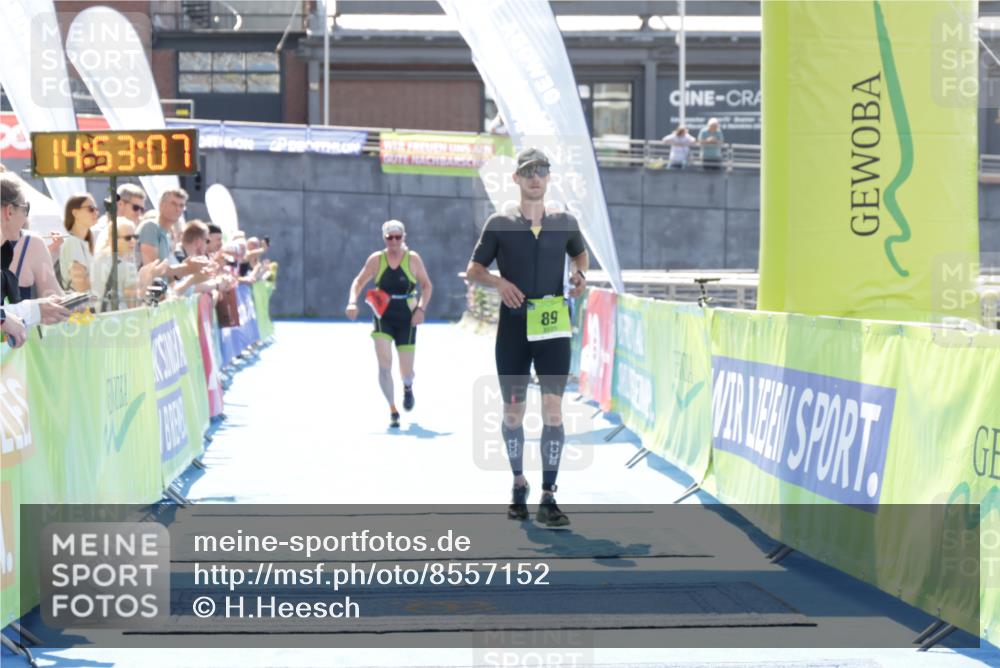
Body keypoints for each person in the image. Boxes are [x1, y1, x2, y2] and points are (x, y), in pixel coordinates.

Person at [465, 147, 588, 527]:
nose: (536, 177)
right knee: (513, 413)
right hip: (515, 328)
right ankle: (519, 482)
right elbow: (473, 270)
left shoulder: (565, 222)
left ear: (549, 178)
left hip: (552, 326)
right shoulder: (500, 223)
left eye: (542, 170)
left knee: (553, 411)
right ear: (516, 178)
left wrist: (579, 275)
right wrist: (498, 281)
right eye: (528, 171)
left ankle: (549, 494)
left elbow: (580, 256)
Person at [345, 220, 433, 429]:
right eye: (389, 237)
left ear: (404, 237)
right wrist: (352, 301)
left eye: (397, 237)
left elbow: (426, 286)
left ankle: (408, 386)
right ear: (383, 238)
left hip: (407, 316)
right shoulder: (377, 259)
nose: (393, 241)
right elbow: (358, 281)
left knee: (406, 369)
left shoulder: (413, 259)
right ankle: (392, 409)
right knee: (384, 365)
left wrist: (421, 309)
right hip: (382, 313)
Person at [1, 174, 71, 332]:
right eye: (25, 208)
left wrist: (72, 304)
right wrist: (35, 310)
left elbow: (55, 301)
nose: (26, 217)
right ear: (9, 211)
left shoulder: (31, 243)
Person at [91, 217, 140, 311]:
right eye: (128, 238)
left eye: (135, 237)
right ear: (113, 239)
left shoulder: (96, 260)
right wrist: (149, 277)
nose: (133, 241)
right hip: (122, 321)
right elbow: (134, 306)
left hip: (99, 320)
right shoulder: (128, 267)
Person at [59, 193, 98, 292]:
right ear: (75, 213)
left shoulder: (84, 243)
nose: (96, 213)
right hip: (82, 306)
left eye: (96, 209)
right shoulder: (73, 242)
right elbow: (81, 287)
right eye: (91, 208)